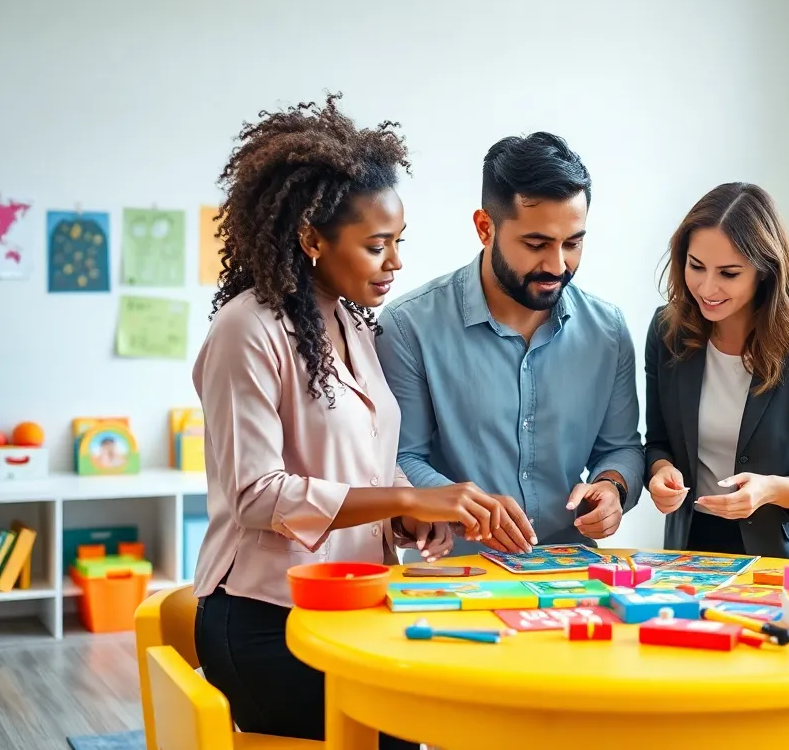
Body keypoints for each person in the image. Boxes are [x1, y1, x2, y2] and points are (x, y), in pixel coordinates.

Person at [190, 94, 536, 749]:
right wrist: (408, 492)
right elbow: (258, 495)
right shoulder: (247, 330)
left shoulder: (350, 323)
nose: (396, 263)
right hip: (268, 619)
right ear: (312, 238)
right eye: (378, 246)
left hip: (348, 604)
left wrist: (403, 520)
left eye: (398, 242)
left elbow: (349, 471)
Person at [376, 131, 644, 552]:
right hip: (455, 578)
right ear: (485, 228)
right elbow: (400, 457)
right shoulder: (408, 326)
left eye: (572, 243)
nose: (557, 264)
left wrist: (613, 488)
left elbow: (621, 447)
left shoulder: (607, 330)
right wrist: (465, 504)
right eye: (536, 244)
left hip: (571, 574)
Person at [643, 182, 789, 564]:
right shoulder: (666, 331)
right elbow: (658, 441)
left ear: (764, 271)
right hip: (695, 548)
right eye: (696, 266)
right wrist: (660, 472)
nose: (707, 287)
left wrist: (772, 489)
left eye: (728, 273)